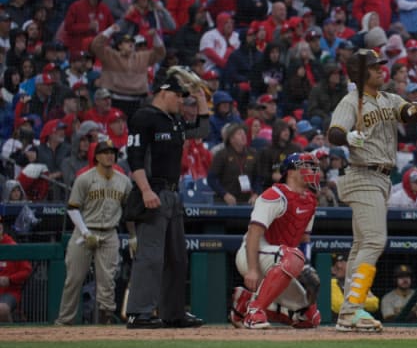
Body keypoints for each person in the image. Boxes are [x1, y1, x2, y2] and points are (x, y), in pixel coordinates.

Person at [327, 49, 417, 332]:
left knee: (362, 245)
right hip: (363, 174)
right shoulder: (351, 101)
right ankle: (352, 310)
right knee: (374, 240)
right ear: (361, 73)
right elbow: (333, 132)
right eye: (374, 68)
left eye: (381, 67)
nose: (381, 71)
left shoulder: (388, 98)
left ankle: (349, 311)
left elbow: (409, 113)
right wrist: (347, 136)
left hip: (382, 178)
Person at [124, 71, 210, 329]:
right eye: (178, 96)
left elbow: (202, 129)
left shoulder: (173, 120)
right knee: (151, 256)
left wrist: (201, 96)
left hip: (173, 194)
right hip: (152, 190)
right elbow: (135, 157)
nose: (181, 101)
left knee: (177, 257)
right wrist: (146, 189)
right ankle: (139, 313)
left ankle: (173, 313)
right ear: (163, 92)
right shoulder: (143, 117)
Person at [230, 152, 323, 329]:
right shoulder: (274, 194)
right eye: (306, 167)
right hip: (253, 254)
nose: (312, 171)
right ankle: (254, 311)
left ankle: (244, 303)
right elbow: (253, 233)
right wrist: (252, 269)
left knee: (309, 317)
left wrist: (306, 267)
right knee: (293, 256)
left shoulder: (310, 201)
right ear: (291, 172)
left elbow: (304, 239)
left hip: (283, 261)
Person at [56, 139, 132, 326]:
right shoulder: (85, 178)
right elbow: (73, 208)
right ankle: (65, 322)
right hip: (84, 231)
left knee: (107, 282)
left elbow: (129, 212)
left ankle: (104, 325)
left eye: (112, 152)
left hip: (109, 233)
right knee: (74, 279)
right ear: (97, 156)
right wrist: (85, 232)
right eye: (105, 152)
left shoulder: (124, 181)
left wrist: (133, 236)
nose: (110, 155)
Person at [329, 253, 379, 322]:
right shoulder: (331, 282)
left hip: (357, 324)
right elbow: (339, 306)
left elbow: (374, 303)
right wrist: (359, 303)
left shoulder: (356, 281)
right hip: (335, 326)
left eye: (342, 262)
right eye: (335, 264)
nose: (339, 266)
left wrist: (351, 304)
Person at [0, 220, 32, 323]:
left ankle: (11, 336)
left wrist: (10, 279)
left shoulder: (12, 246)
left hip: (8, 292)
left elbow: (26, 270)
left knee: (2, 310)